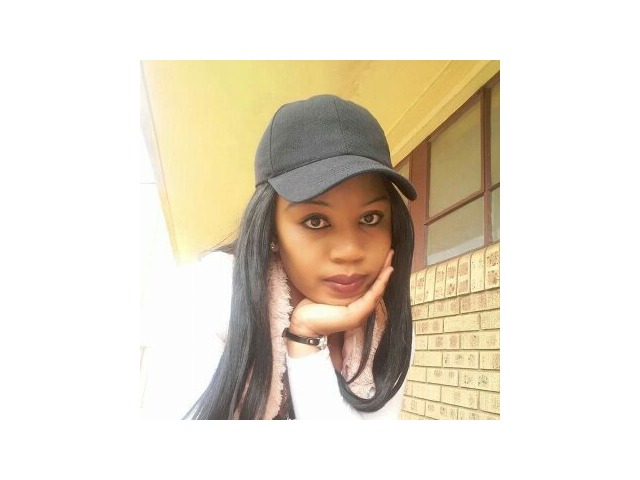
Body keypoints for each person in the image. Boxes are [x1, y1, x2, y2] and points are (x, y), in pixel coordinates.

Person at [181, 94, 417, 419]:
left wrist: (305, 340)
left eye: (370, 218)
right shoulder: (212, 296)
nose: (349, 250)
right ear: (271, 230)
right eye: (315, 221)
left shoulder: (388, 326)